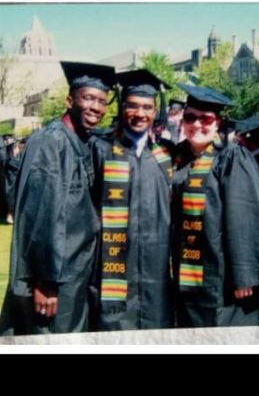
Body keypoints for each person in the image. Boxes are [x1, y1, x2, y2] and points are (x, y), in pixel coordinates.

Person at [0, 61, 114, 336]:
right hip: (55, 277)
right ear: (69, 100)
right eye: (88, 98)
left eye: (101, 101)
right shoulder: (51, 142)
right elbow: (39, 217)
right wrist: (44, 282)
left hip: (75, 270)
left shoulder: (80, 139)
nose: (95, 107)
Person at [171, 85, 259, 327]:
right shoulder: (178, 157)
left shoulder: (231, 157)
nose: (197, 124)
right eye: (190, 117)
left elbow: (245, 215)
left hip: (222, 274)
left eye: (205, 119)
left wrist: (245, 275)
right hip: (186, 270)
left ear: (218, 123)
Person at [91, 68, 175, 331]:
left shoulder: (165, 156)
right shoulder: (100, 149)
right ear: (122, 106)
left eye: (148, 107)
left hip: (155, 271)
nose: (140, 114)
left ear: (155, 111)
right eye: (133, 106)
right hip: (111, 268)